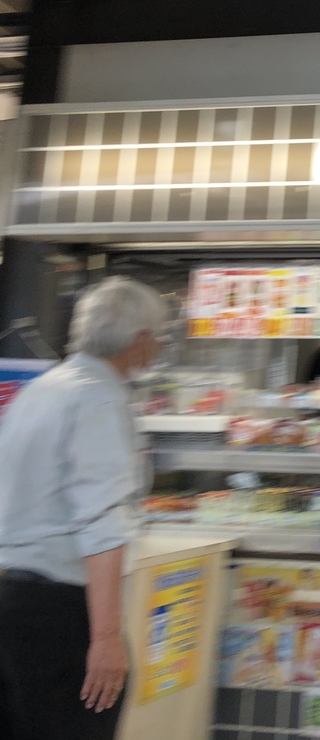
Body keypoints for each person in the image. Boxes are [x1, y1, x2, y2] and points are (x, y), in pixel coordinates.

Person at [0, 277, 166, 740]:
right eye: (158, 337)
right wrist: (107, 638)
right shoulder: (99, 398)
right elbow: (103, 523)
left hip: (12, 602)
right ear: (139, 340)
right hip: (61, 615)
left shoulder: (42, 389)